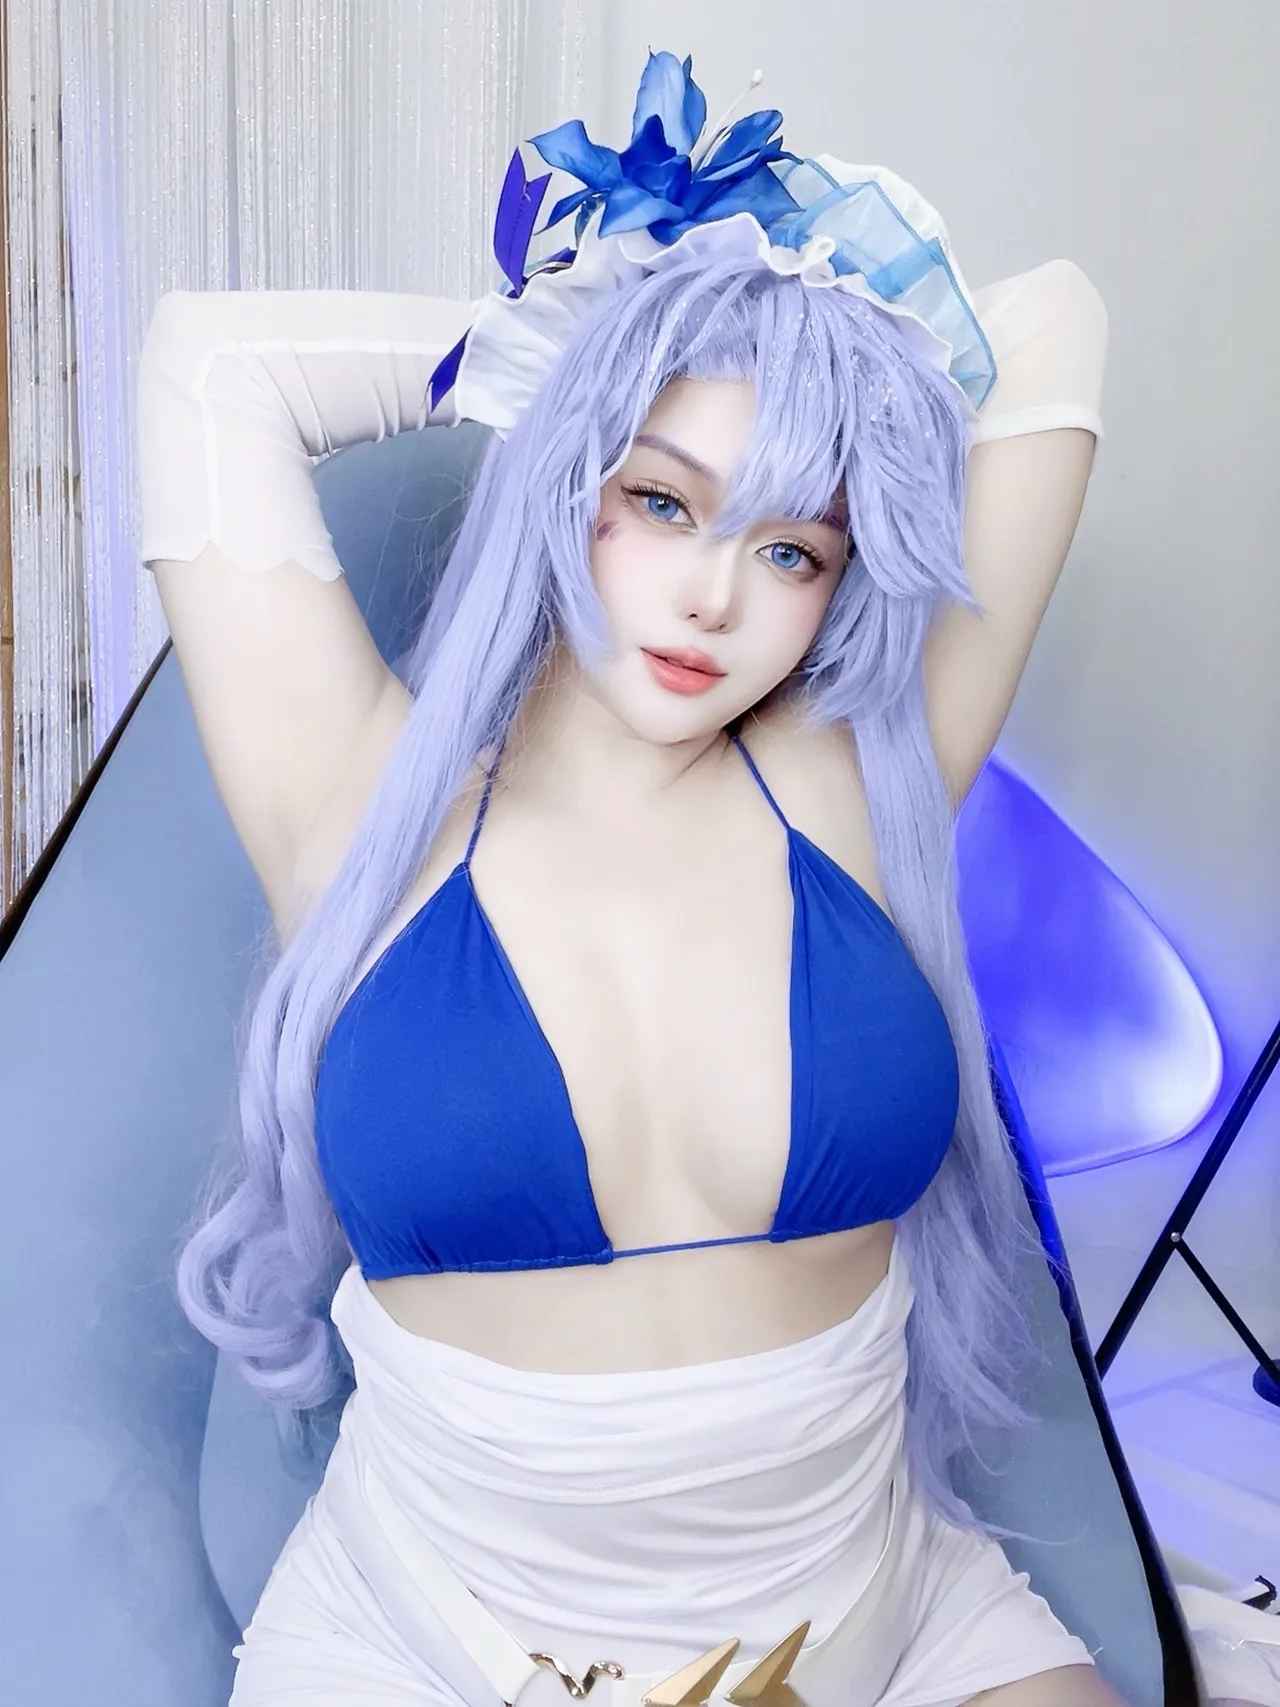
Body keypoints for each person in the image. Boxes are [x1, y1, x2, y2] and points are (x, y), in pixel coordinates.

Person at [137, 48, 1136, 1707]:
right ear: (565, 469)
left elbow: (1057, 322)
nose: (713, 599)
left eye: (790, 547)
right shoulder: (364, 803)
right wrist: (604, 337)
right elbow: (206, 363)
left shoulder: (858, 784)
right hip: (432, 1640)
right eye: (661, 500)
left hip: (872, 1617)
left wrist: (779, 319)